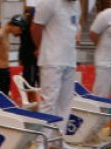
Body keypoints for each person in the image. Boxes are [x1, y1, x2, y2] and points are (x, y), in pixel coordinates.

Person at [32, 0, 81, 134]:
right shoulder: (49, 2)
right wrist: (42, 48)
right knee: (49, 101)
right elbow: (35, 28)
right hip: (51, 60)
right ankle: (43, 140)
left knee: (65, 103)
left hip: (69, 59)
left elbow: (76, 25)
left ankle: (57, 139)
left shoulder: (76, 4)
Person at [18, 6, 39, 91]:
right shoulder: (26, 25)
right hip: (29, 55)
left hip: (30, 54)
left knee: (33, 78)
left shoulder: (27, 25)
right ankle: (31, 96)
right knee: (30, 80)